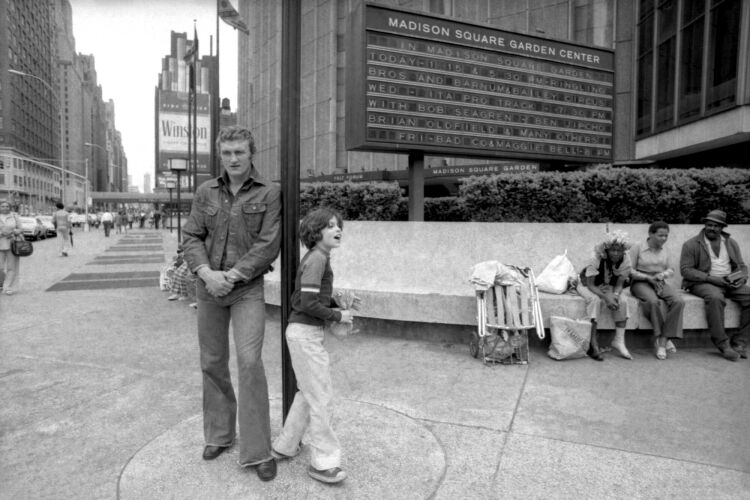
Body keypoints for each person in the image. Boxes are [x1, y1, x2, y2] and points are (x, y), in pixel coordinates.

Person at [182, 125, 281, 481]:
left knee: (250, 362)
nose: (234, 159)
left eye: (240, 152)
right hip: (208, 286)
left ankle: (258, 451)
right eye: (227, 153)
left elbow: (269, 243)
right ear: (220, 155)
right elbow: (192, 235)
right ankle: (220, 435)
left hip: (246, 289)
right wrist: (207, 273)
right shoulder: (205, 191)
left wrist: (233, 276)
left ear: (252, 152)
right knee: (212, 361)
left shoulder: (270, 193)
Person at [272, 208, 353, 484]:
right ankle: (323, 462)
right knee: (321, 398)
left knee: (308, 394)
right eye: (329, 226)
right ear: (315, 232)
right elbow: (306, 303)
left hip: (303, 333)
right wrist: (337, 315)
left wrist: (332, 303)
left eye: (338, 225)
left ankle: (285, 445)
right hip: (306, 335)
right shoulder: (318, 259)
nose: (337, 229)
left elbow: (308, 298)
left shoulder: (318, 258)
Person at [680, 210, 749, 361]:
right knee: (716, 298)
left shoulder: (731, 243)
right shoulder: (691, 244)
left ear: (722, 227)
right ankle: (723, 344)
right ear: (705, 225)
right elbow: (686, 270)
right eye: (709, 224)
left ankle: (740, 342)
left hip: (730, 282)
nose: (711, 228)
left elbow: (742, 266)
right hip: (703, 283)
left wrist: (742, 278)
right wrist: (711, 279)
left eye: (716, 226)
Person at [630, 221, 685, 360]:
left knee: (678, 301)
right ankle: (660, 340)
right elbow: (629, 270)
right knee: (653, 302)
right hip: (640, 282)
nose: (664, 239)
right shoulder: (637, 247)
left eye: (666, 236)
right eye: (661, 235)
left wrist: (662, 275)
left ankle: (664, 339)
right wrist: (647, 278)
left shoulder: (666, 249)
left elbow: (671, 269)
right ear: (650, 234)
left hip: (659, 281)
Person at [575, 230, 633, 361]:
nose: (616, 253)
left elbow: (619, 283)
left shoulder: (626, 259)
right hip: (587, 283)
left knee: (622, 300)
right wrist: (607, 297)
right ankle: (592, 343)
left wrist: (616, 295)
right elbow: (590, 285)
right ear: (607, 249)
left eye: (619, 250)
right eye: (613, 250)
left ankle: (619, 340)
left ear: (624, 250)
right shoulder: (596, 257)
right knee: (595, 300)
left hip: (607, 285)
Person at [0, 199, 22, 295]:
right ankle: (2, 283)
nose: (5, 208)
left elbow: (20, 229)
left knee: (11, 267)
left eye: (7, 206)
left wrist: (14, 232)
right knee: (0, 267)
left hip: (12, 244)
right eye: (3, 206)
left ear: (10, 207)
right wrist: (2, 233)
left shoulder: (14, 216)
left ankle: (9, 287)